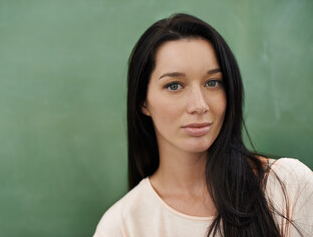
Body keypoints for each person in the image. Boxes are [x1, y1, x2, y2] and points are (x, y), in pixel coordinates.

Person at [93, 13, 313, 237]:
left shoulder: (288, 186)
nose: (199, 105)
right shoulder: (122, 225)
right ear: (143, 101)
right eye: (174, 86)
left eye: (212, 83)